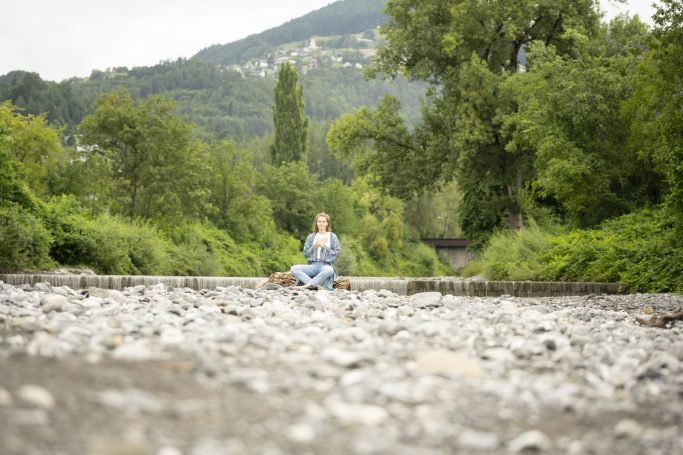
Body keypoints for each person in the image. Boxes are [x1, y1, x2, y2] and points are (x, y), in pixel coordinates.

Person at [290, 212, 341, 291]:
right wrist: (315, 246)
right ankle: (315, 285)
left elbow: (336, 252)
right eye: (319, 221)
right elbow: (305, 253)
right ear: (316, 223)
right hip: (312, 265)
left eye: (323, 221)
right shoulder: (311, 237)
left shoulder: (332, 236)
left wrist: (323, 246)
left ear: (327, 223)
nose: (321, 223)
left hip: (325, 265)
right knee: (294, 268)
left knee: (330, 270)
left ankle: (306, 286)